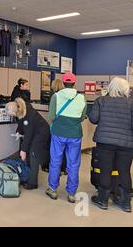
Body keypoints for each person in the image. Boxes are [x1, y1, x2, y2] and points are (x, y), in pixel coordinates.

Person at [89, 77, 133, 213]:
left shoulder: (101, 101)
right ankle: (125, 203)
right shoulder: (131, 103)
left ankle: (103, 200)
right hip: (126, 143)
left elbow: (93, 119)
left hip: (104, 142)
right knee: (124, 171)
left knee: (105, 170)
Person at [46, 72, 87, 203]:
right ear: (74, 83)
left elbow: (51, 116)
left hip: (58, 133)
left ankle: (52, 189)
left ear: (63, 83)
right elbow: (82, 117)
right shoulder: (82, 98)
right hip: (75, 134)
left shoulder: (56, 96)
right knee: (73, 164)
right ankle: (71, 193)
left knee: (55, 161)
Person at [6, 98, 50, 190]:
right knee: (28, 154)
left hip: (42, 133)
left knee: (33, 155)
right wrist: (18, 131)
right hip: (35, 132)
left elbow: (28, 134)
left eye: (12, 115)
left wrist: (23, 150)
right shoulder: (22, 108)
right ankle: (27, 176)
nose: (13, 117)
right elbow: (21, 123)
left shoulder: (29, 115)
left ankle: (33, 183)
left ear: (16, 110)